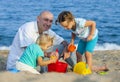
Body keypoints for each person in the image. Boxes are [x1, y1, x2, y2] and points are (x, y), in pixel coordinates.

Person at [6, 10, 74, 73]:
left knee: (66, 48)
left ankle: (75, 66)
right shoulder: (28, 28)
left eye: (50, 21)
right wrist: (48, 54)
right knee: (45, 52)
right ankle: (44, 72)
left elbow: (63, 42)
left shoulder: (47, 31)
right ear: (38, 18)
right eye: (46, 20)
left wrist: (66, 49)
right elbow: (31, 52)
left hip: (33, 64)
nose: (48, 23)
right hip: (19, 65)